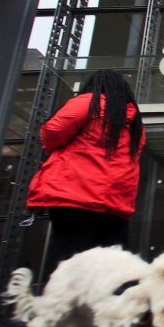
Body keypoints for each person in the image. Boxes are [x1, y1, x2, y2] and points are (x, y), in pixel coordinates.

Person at [26, 70, 145, 271]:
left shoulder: (88, 102)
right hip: (114, 203)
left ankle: (70, 300)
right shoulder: (134, 123)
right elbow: (136, 152)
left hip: (75, 196)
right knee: (112, 266)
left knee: (70, 262)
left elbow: (52, 132)